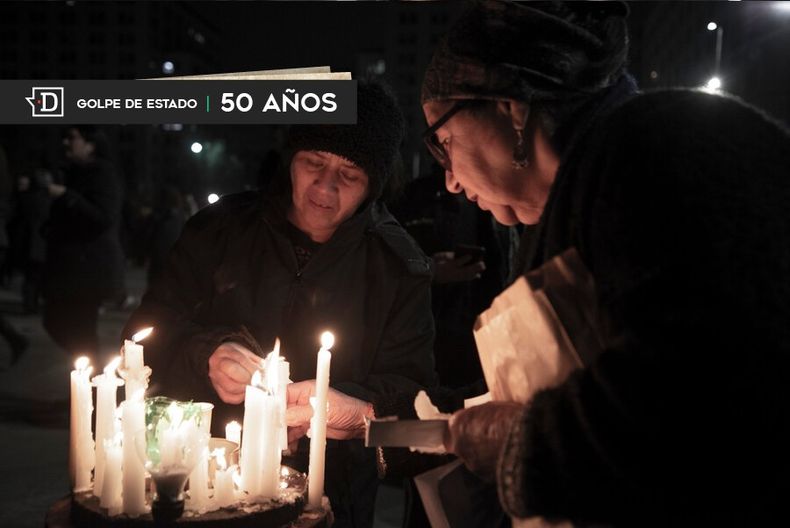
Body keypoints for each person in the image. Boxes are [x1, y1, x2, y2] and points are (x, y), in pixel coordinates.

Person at [292, 1, 790, 525]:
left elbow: (698, 400)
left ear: (511, 111)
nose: (451, 182)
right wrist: (375, 419)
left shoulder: (657, 150)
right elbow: (533, 398)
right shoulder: (585, 182)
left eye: (444, 143)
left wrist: (520, 443)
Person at [123, 81, 436, 528]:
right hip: (208, 485)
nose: (325, 188)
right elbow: (141, 336)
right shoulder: (220, 231)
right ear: (291, 159)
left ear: (373, 185)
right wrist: (206, 352)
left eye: (349, 175)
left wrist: (353, 406)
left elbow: (415, 397)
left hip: (331, 493)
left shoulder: (398, 267)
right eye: (314, 163)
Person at [42, 126, 125, 363]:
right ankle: (88, 384)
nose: (66, 143)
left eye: (72, 138)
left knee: (81, 331)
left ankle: (90, 389)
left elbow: (104, 216)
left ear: (91, 144)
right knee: (58, 323)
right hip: (71, 268)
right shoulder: (74, 172)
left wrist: (66, 195)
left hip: (88, 269)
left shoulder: (103, 173)